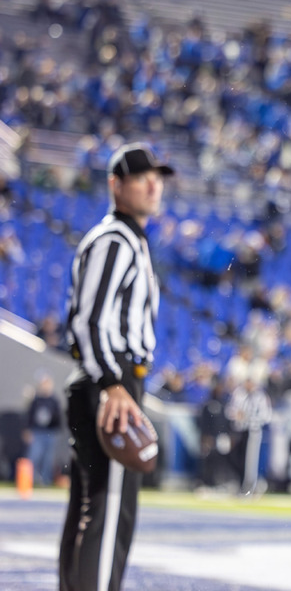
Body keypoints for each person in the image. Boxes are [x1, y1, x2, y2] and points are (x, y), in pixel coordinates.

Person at [60, 142, 173, 591]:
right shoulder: (116, 240)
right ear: (115, 185)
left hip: (107, 380)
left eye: (157, 176)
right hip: (111, 380)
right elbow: (88, 319)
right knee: (108, 515)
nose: (153, 183)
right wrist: (112, 383)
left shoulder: (129, 241)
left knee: (90, 509)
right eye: (141, 176)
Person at [24, 372, 63, 486]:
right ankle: (28, 480)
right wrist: (28, 430)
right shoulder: (36, 399)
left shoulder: (54, 400)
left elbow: (58, 417)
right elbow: (29, 415)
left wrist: (56, 430)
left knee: (48, 459)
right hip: (37, 432)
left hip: (50, 432)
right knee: (33, 456)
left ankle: (45, 481)